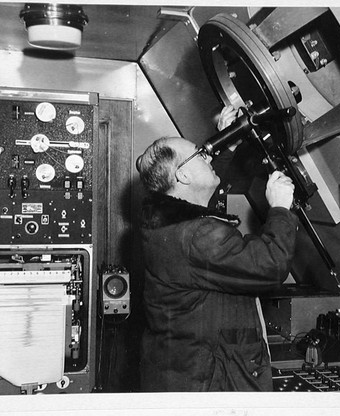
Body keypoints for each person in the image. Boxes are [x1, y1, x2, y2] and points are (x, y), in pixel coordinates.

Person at [135, 106, 299, 392]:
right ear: (183, 177)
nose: (207, 153)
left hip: (179, 374)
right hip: (209, 383)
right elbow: (270, 266)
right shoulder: (198, 236)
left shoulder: (166, 223)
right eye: (199, 154)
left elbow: (198, 205)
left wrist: (229, 142)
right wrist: (281, 208)